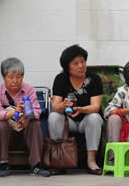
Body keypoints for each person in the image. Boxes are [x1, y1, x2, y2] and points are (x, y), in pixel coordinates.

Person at [0, 58, 50, 177]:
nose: (15, 81)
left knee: (35, 123)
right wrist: (14, 112)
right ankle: (4, 163)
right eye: (11, 77)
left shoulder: (29, 90)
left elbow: (37, 110)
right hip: (7, 133)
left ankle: (35, 165)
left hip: (25, 131)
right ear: (3, 77)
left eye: (19, 77)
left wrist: (27, 117)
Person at [48, 44, 104, 175]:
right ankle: (59, 160)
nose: (81, 66)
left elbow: (95, 107)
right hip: (69, 122)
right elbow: (55, 106)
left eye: (83, 61)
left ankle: (91, 161)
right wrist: (63, 105)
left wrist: (81, 109)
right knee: (54, 117)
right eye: (75, 63)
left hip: (86, 119)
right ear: (67, 67)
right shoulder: (61, 79)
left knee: (94, 118)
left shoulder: (94, 79)